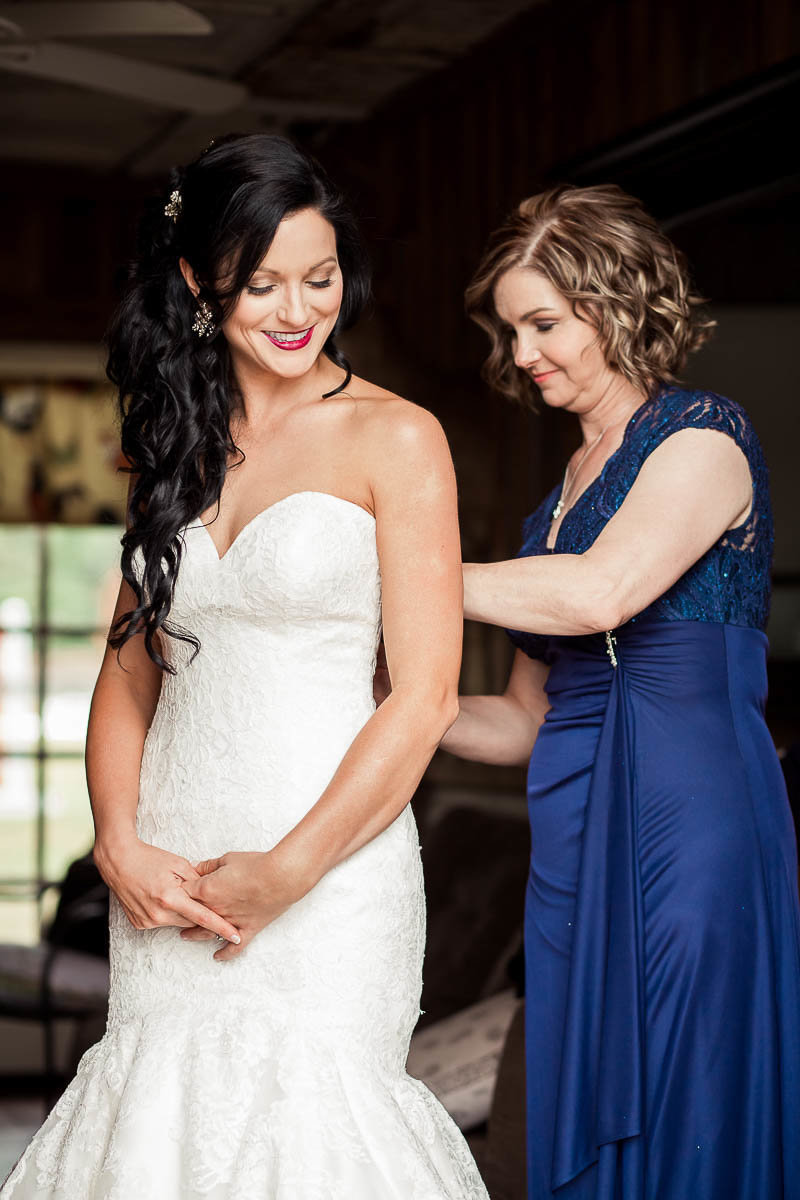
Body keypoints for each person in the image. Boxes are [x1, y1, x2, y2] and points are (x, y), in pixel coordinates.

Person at [2, 134, 488, 1199]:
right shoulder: (169, 441)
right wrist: (118, 841)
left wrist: (290, 871)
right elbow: (130, 675)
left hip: (333, 872)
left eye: (318, 279)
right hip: (172, 864)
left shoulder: (397, 438)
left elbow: (424, 698)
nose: (294, 310)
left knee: (314, 1133)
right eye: (259, 283)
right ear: (196, 282)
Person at [441, 184, 800, 1199]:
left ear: (614, 302)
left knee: (683, 1080)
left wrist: (386, 576)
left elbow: (600, 594)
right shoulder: (549, 505)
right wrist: (380, 697)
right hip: (567, 829)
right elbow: (517, 721)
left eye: (542, 324)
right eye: (511, 330)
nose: (521, 355)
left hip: (687, 816)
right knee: (569, 1082)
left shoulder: (701, 437)